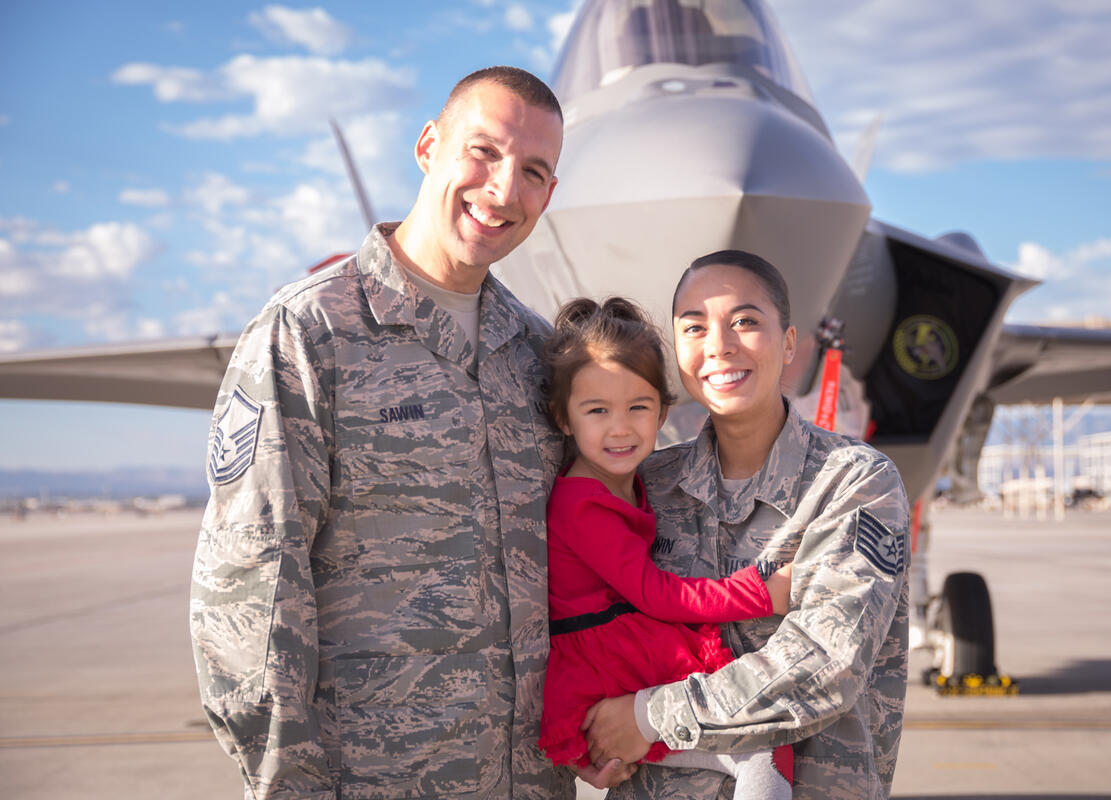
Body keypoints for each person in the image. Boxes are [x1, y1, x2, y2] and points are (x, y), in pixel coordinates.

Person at [191, 66, 581, 799]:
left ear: (549, 194)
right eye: (483, 152)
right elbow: (249, 590)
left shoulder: (536, 356)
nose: (503, 190)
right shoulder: (310, 334)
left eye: (532, 171)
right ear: (428, 145)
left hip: (528, 782)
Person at [583, 250, 910, 799]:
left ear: (788, 344)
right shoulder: (646, 487)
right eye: (695, 327)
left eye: (745, 322)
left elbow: (825, 665)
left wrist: (646, 718)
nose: (719, 345)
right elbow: (587, 624)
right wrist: (586, 739)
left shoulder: (851, 483)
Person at [536, 297, 795, 799]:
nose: (620, 427)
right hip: (611, 655)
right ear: (562, 418)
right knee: (762, 743)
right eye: (597, 410)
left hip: (613, 652)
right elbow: (657, 594)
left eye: (638, 407)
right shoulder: (582, 503)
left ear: (662, 412)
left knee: (747, 752)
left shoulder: (631, 481)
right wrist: (762, 593)